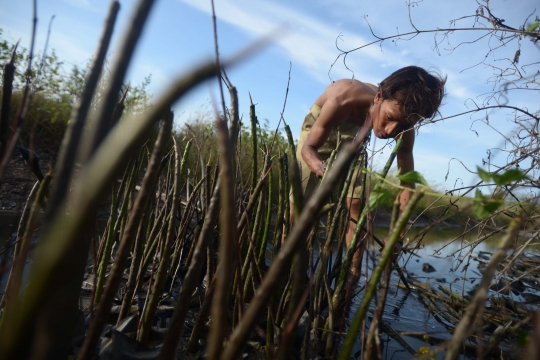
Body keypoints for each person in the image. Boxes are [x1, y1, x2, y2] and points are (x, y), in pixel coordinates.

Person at [294, 66, 446, 278]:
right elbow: (308, 149)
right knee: (299, 206)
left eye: (403, 124)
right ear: (378, 98)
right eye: (390, 117)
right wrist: (323, 169)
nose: (391, 130)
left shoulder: (404, 126)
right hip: (321, 129)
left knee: (358, 205)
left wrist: (397, 235)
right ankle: (288, 265)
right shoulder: (344, 97)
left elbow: (406, 185)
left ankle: (352, 273)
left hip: (357, 136)